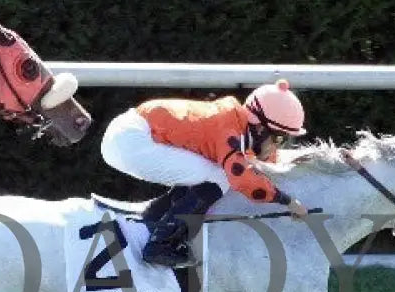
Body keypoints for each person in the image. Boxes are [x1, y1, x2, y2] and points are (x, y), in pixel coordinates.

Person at [100, 79, 310, 268]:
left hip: (129, 133)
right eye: (279, 138)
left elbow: (261, 161)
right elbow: (241, 178)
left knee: (208, 172)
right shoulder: (229, 130)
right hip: (131, 140)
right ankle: (161, 244)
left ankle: (158, 217)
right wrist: (288, 202)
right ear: (262, 128)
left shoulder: (238, 122)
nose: (276, 146)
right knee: (218, 176)